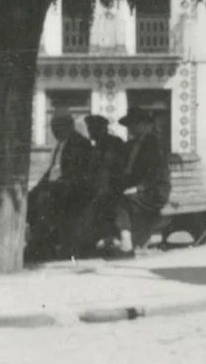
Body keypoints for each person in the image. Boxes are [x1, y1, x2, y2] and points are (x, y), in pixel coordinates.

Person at [27, 113, 98, 263]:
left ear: (69, 127)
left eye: (58, 128)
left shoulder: (80, 143)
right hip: (58, 185)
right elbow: (53, 169)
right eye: (53, 129)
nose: (54, 132)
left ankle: (44, 245)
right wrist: (40, 186)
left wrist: (53, 186)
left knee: (44, 202)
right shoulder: (60, 144)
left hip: (74, 189)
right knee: (29, 200)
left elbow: (76, 173)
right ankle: (40, 244)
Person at [115, 109, 170, 251]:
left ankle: (126, 238)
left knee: (124, 199)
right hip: (138, 188)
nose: (130, 128)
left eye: (133, 124)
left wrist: (139, 187)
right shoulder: (131, 145)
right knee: (115, 195)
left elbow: (157, 173)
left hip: (155, 191)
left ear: (145, 125)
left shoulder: (155, 145)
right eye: (129, 125)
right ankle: (118, 236)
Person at [83, 115, 130, 257]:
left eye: (93, 129)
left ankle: (115, 240)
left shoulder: (113, 143)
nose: (90, 132)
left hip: (116, 185)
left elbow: (111, 168)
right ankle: (102, 239)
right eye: (89, 129)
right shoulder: (97, 145)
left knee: (106, 201)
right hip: (103, 186)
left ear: (103, 129)